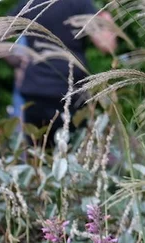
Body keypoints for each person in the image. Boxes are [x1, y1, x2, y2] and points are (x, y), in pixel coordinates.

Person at [9, 0, 118, 144]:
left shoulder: (31, 3)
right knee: (72, 154)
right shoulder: (80, 4)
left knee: (38, 155)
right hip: (69, 91)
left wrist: (16, 61)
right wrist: (106, 20)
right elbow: (107, 45)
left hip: (35, 92)